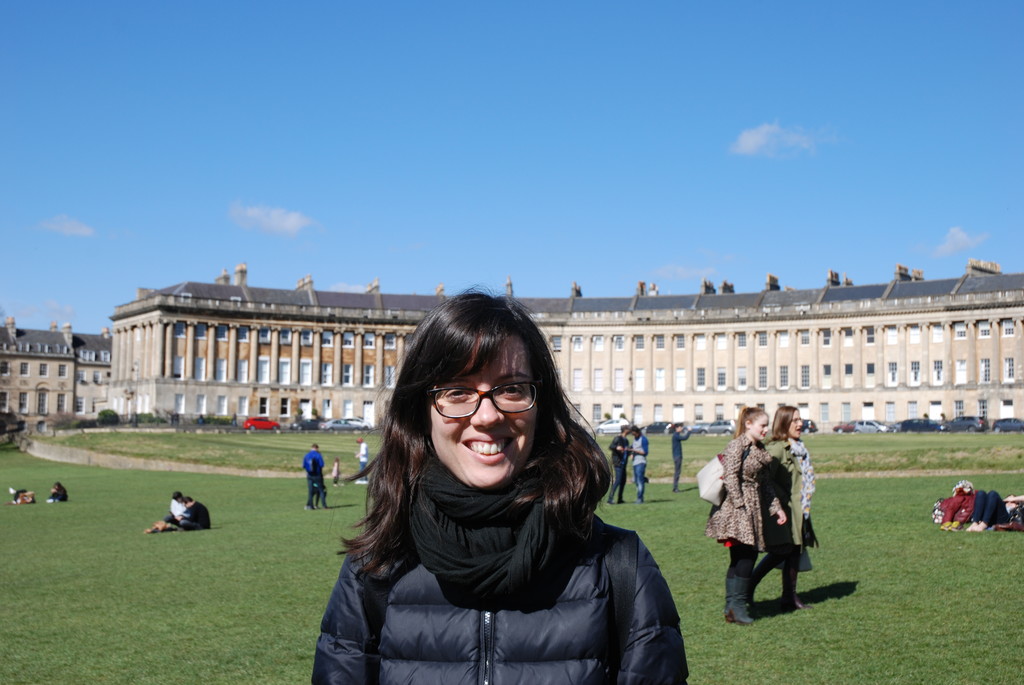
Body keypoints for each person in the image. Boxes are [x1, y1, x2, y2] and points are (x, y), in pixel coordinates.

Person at [313, 292, 687, 684]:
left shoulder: (620, 567)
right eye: (456, 391)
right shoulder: (373, 572)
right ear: (420, 413)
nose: (487, 416)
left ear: (540, 405)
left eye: (511, 389)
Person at [704, 406, 787, 625]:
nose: (766, 430)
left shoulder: (759, 449)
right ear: (748, 424)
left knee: (741, 557)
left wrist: (776, 508)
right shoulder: (736, 446)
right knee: (745, 557)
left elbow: (766, 483)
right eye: (762, 425)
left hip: (753, 507)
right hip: (736, 509)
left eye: (767, 425)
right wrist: (740, 504)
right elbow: (730, 476)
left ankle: (732, 607)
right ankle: (737, 607)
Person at [748, 406, 818, 611]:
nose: (800, 423)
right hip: (785, 510)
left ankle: (789, 597)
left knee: (794, 551)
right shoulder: (778, 448)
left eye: (800, 419)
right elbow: (762, 476)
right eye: (794, 420)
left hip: (800, 509)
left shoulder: (798, 447)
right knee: (782, 551)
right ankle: (749, 587)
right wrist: (779, 498)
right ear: (783, 423)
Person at [606, 424, 631, 505]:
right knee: (618, 480)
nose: (630, 431)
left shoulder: (626, 440)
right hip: (618, 463)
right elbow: (611, 446)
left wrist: (630, 453)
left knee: (623, 481)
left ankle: (620, 498)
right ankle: (610, 499)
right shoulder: (618, 438)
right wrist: (616, 447)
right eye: (628, 429)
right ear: (625, 430)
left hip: (624, 463)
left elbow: (627, 450)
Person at [628, 425, 649, 504]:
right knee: (636, 481)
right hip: (635, 462)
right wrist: (631, 453)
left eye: (634, 434)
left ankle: (640, 498)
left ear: (638, 432)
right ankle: (644, 479)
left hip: (641, 462)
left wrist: (635, 450)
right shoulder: (634, 439)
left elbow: (645, 452)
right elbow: (632, 448)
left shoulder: (643, 439)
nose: (634, 435)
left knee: (639, 481)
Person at [304, 444, 327, 510]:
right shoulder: (318, 455)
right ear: (317, 448)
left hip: (309, 475)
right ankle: (324, 505)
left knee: (310, 491)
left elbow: (304, 465)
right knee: (321, 490)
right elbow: (322, 464)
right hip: (317, 475)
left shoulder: (307, 455)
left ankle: (310, 506)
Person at [671, 423, 690, 493]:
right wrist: (689, 431)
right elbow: (685, 438)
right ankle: (675, 488)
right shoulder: (676, 435)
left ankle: (675, 487)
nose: (681, 429)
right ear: (677, 428)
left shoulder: (676, 435)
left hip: (677, 455)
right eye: (680, 427)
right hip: (677, 456)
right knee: (677, 472)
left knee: (677, 472)